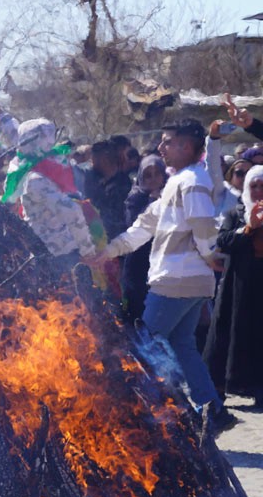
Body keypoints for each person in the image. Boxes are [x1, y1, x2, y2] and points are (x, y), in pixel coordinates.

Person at [93, 120, 232, 429]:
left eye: (167, 142)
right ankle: (213, 410)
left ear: (185, 146)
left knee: (145, 345)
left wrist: (210, 254)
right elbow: (144, 225)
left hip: (176, 280)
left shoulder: (192, 181)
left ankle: (155, 417)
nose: (161, 147)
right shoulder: (178, 181)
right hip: (187, 281)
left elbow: (204, 224)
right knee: (182, 345)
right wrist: (110, 251)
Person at [203, 165, 263, 410]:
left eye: (262, 186)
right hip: (237, 287)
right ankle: (218, 390)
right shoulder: (236, 213)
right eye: (254, 186)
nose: (258, 190)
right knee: (227, 334)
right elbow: (224, 241)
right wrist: (249, 228)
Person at [4, 118, 98, 271]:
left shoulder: (24, 166)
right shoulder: (33, 179)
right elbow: (72, 212)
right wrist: (88, 251)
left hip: (50, 252)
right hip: (58, 256)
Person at [120, 155, 166, 324]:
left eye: (157, 173)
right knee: (136, 316)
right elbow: (136, 226)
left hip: (162, 266)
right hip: (138, 266)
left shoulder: (172, 194)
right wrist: (153, 201)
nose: (153, 179)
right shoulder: (135, 198)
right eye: (148, 174)